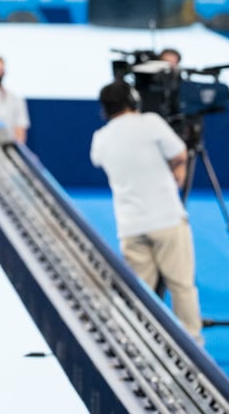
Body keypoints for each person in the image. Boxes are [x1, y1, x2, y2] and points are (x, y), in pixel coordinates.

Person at [90, 80, 203, 343]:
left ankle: (136, 343)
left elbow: (97, 160)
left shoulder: (100, 138)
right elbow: (180, 152)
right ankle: (194, 347)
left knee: (139, 293)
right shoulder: (151, 123)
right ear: (133, 100)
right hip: (166, 220)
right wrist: (178, 175)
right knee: (182, 287)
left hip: (130, 226)